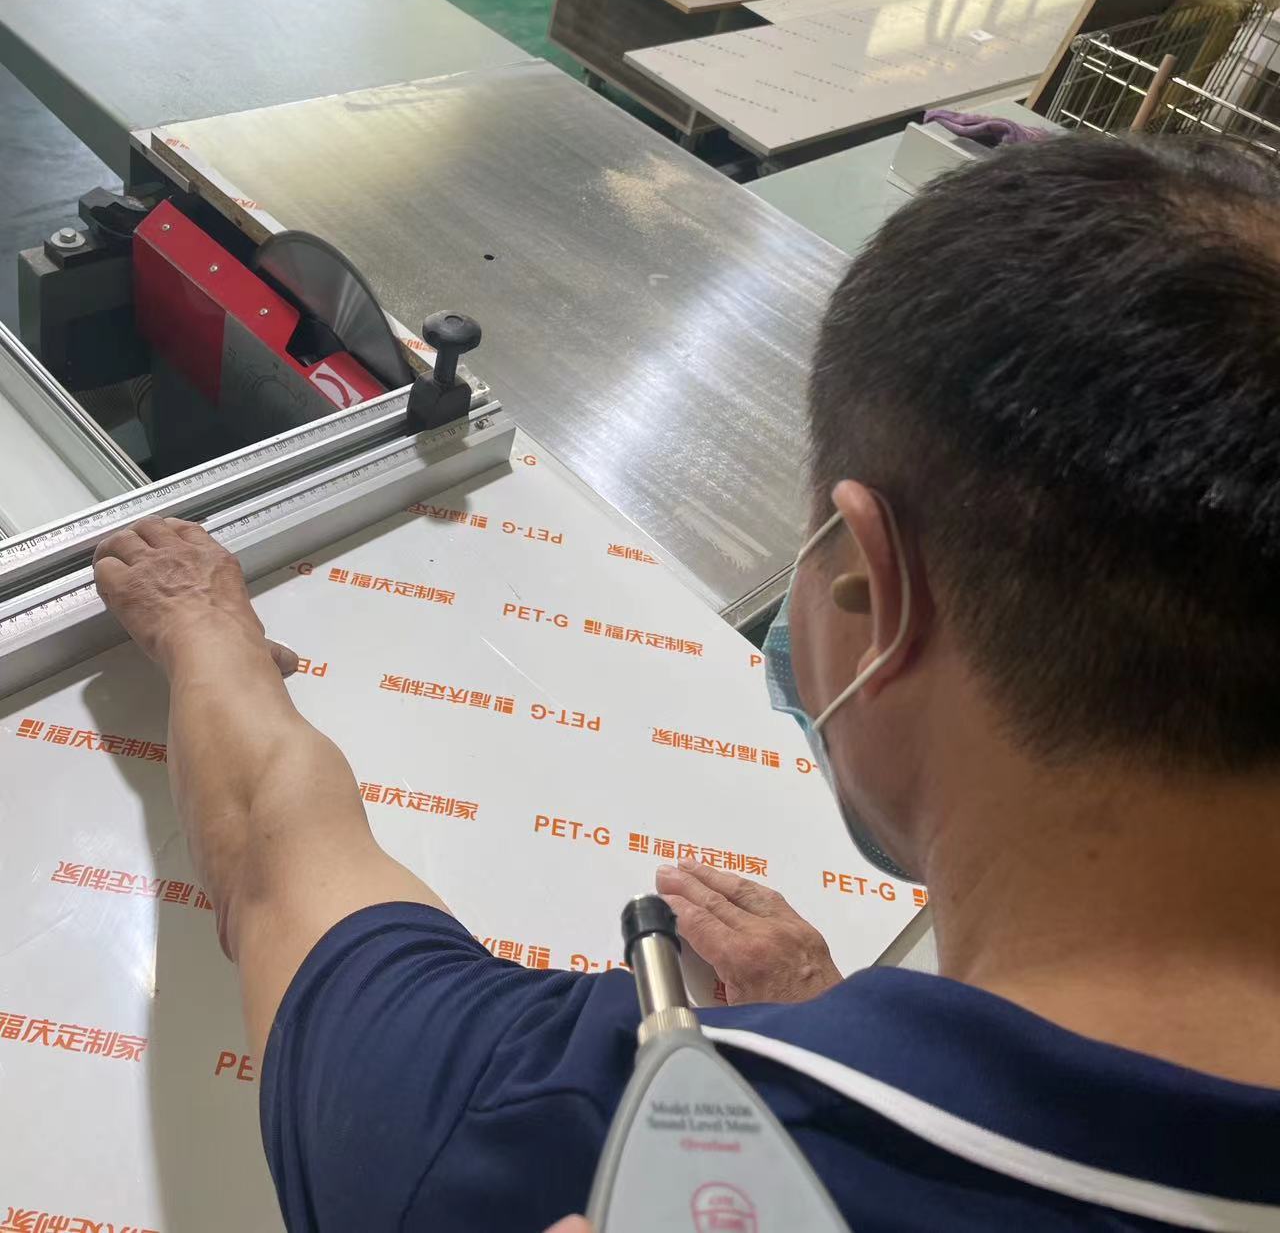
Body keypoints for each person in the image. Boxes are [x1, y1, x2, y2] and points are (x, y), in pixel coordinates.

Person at [93, 134, 1280, 1232]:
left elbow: (271, 858)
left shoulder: (603, 1140)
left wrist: (205, 626)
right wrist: (841, 1021)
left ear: (869, 590)